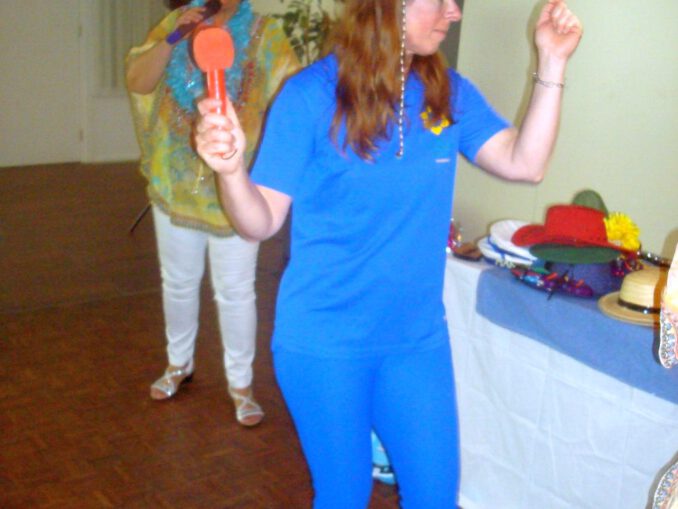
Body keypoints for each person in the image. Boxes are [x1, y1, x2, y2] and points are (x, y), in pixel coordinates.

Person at [195, 0, 582, 505]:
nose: (454, 13)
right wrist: (231, 173)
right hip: (325, 340)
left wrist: (553, 61)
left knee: (436, 496)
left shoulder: (449, 93)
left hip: (416, 341)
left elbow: (525, 163)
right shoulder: (310, 96)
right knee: (344, 493)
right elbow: (259, 222)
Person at [125, 0, 298, 427]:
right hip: (176, 183)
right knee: (178, 282)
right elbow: (138, 81)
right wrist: (173, 38)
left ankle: (241, 385)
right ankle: (178, 364)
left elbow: (293, 106)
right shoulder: (176, 23)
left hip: (237, 189)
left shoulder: (266, 35)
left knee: (235, 291)